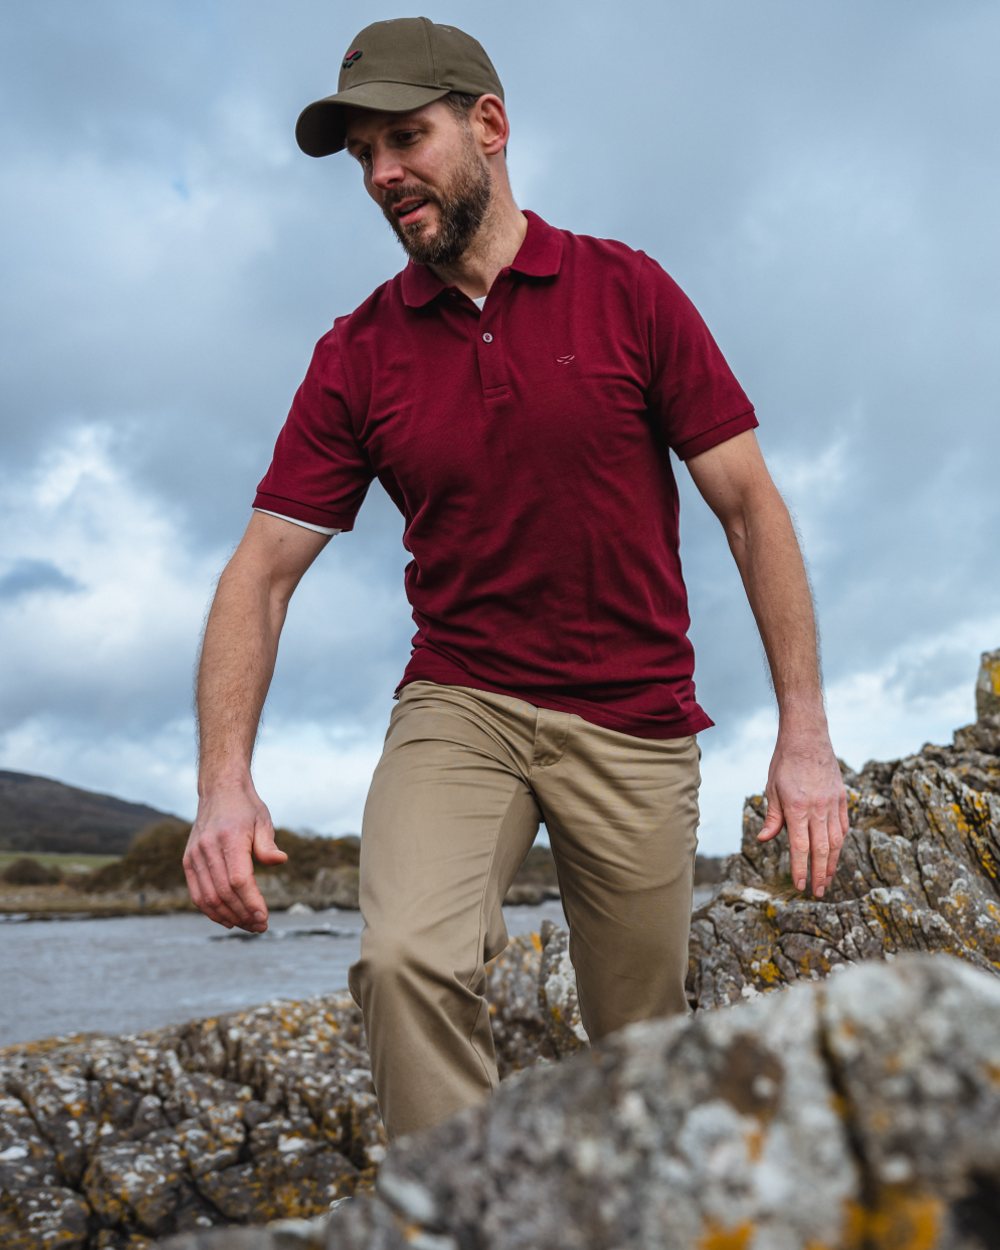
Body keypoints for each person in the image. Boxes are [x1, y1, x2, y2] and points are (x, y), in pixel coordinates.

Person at [183, 17, 848, 1141]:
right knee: (405, 963)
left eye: (405, 138)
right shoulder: (357, 354)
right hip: (464, 702)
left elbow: (747, 506)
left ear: (487, 126)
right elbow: (259, 573)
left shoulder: (628, 292)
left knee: (638, 1043)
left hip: (635, 718)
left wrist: (803, 731)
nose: (384, 175)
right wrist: (223, 781)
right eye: (363, 159)